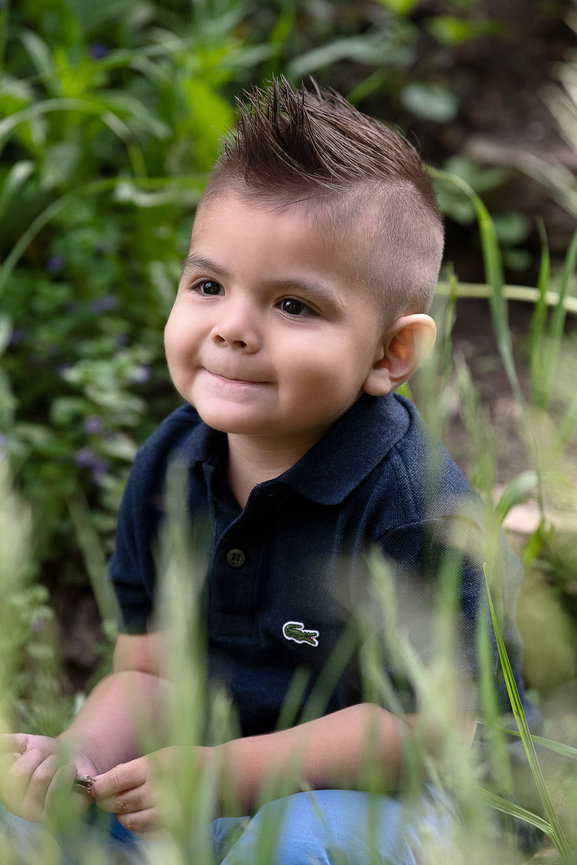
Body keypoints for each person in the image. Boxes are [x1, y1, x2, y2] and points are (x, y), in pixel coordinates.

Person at [0, 78, 530, 864]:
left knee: (300, 843)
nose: (233, 329)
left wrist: (222, 774)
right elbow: (148, 670)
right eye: (209, 286)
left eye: (293, 305)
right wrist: (77, 757)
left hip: (406, 804)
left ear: (390, 353)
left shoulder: (413, 507)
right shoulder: (171, 464)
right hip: (212, 782)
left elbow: (418, 732)